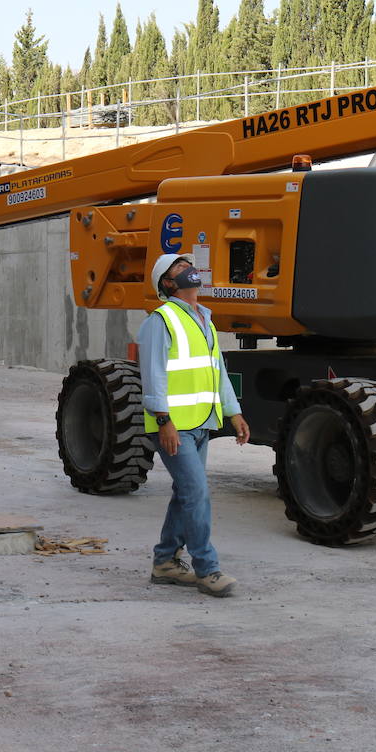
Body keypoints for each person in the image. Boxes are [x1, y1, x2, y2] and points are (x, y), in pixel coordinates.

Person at [139, 252, 250, 598]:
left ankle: (165, 562)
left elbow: (218, 372)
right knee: (197, 493)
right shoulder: (160, 321)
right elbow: (153, 375)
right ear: (167, 282)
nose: (189, 270)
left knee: (186, 492)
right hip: (174, 426)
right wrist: (163, 421)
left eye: (189, 265)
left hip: (201, 422)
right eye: (180, 267)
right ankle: (207, 569)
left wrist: (233, 412)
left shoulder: (205, 319)